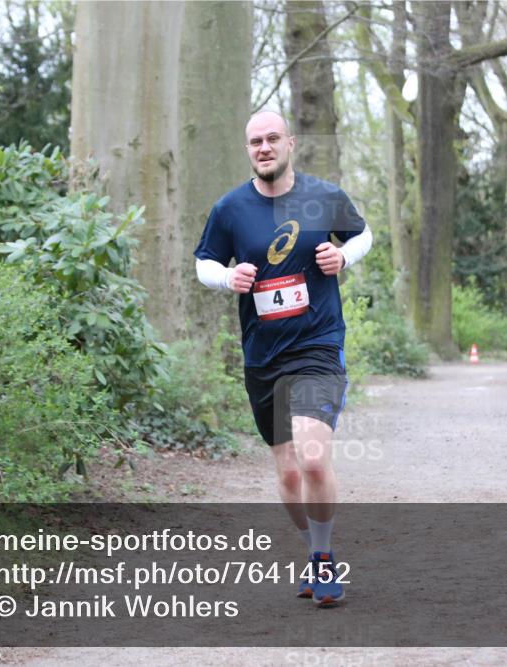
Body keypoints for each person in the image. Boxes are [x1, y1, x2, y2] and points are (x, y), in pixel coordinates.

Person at [193, 111, 372, 607]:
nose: (264, 147)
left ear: (290, 142)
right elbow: (204, 261)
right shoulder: (230, 209)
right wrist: (226, 279)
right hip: (263, 355)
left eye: (272, 138)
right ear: (248, 150)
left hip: (317, 344)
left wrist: (345, 257)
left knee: (313, 458)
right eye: (255, 141)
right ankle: (314, 550)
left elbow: (362, 235)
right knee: (289, 473)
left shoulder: (322, 196)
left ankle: (323, 559)